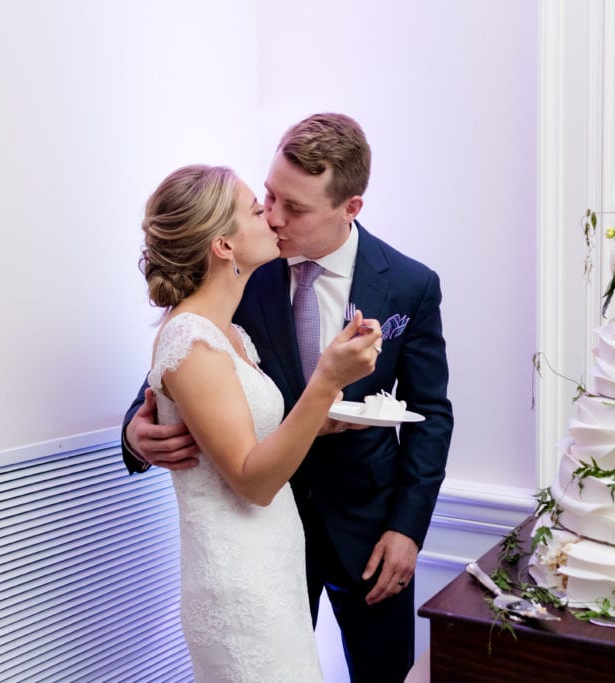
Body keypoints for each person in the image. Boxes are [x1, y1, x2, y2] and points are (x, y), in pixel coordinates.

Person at [123, 113, 454, 682]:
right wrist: (135, 431)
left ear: (349, 208)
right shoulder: (242, 271)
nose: (274, 217)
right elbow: (173, 370)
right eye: (268, 197)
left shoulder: (409, 283)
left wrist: (407, 529)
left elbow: (433, 414)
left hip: (369, 531)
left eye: (293, 208)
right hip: (259, 542)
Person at [136, 163, 382, 682]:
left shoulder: (231, 336)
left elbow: (250, 437)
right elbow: (252, 481)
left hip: (273, 566)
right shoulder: (190, 339)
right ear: (224, 247)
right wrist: (325, 383)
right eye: (256, 209)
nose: (271, 218)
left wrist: (326, 422)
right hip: (237, 580)